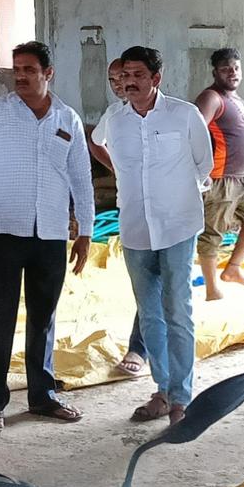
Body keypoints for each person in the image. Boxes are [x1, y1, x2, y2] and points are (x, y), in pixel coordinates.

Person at [0, 41, 96, 434]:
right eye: (16, 69)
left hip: (50, 233)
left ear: (48, 73)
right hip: (3, 231)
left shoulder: (67, 118)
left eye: (29, 69)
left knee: (44, 317)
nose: (20, 76)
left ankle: (42, 396)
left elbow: (81, 179)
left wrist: (85, 230)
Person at [93, 46, 212, 425]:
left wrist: (173, 193)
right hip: (135, 227)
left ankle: (181, 397)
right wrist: (124, 177)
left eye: (137, 75)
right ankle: (162, 390)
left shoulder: (184, 114)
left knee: (178, 310)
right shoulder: (115, 118)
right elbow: (96, 140)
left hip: (177, 225)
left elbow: (204, 164)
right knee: (149, 314)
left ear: (156, 78)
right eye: (124, 76)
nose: (128, 82)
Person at [193, 48, 244, 301]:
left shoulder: (237, 99)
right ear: (215, 72)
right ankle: (212, 289)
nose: (233, 73)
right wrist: (201, 171)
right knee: (212, 234)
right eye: (226, 69)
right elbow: (193, 132)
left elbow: (233, 132)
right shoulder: (211, 97)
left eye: (236, 68)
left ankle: (233, 269)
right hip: (220, 179)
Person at [91, 59, 147, 376]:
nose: (119, 84)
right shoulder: (114, 115)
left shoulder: (171, 114)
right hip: (133, 209)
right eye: (113, 79)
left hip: (169, 212)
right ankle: (141, 347)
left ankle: (143, 348)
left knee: (168, 285)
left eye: (124, 76)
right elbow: (95, 142)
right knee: (144, 280)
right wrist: (116, 169)